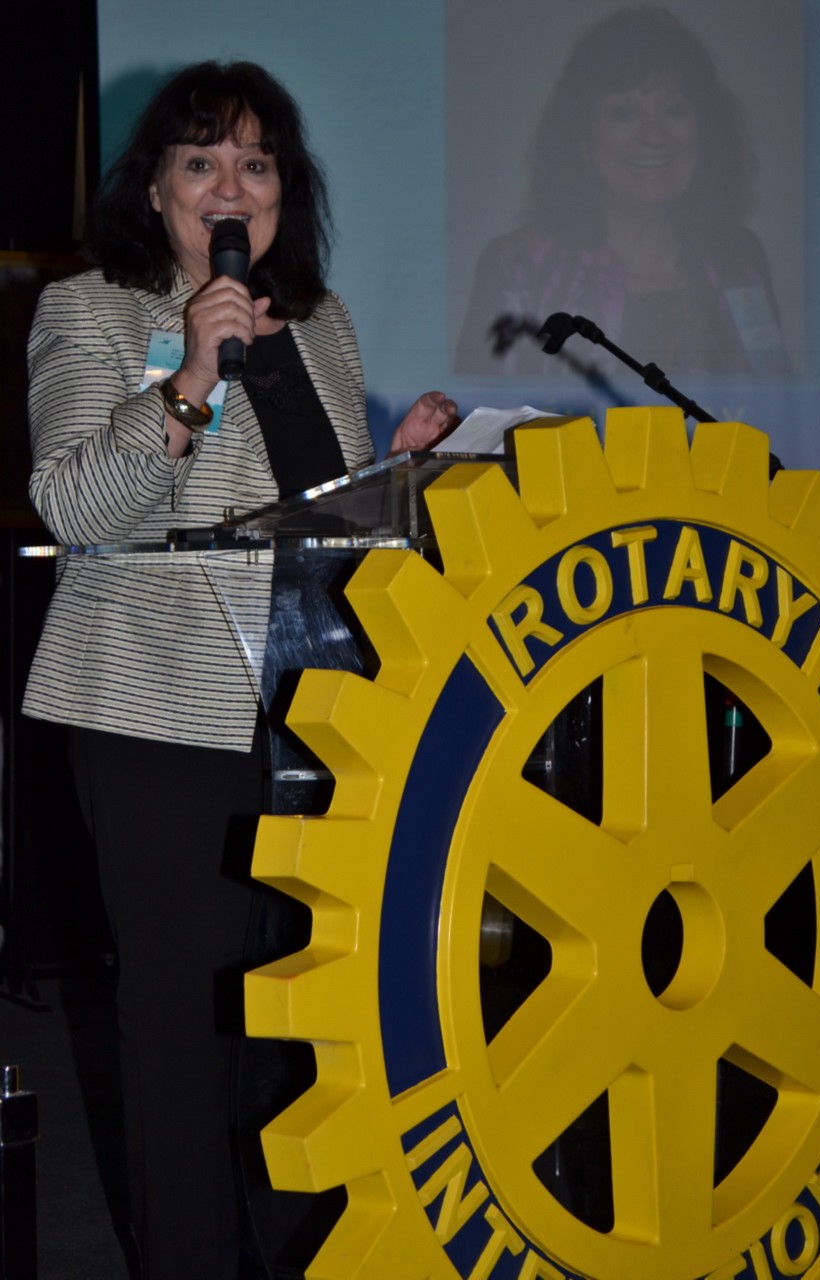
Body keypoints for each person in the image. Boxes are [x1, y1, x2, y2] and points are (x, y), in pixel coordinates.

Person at [23, 60, 457, 1280]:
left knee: (293, 1023)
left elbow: (326, 526)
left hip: (309, 717)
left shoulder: (320, 325)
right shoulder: (92, 313)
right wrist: (191, 381)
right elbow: (74, 504)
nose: (230, 186)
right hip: (156, 711)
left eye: (255, 163)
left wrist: (402, 473)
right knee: (180, 1025)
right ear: (154, 189)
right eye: (201, 160)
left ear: (284, 191)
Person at [456, 4, 791, 377]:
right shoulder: (520, 267)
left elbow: (777, 396)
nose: (654, 137)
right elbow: (482, 406)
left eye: (675, 111)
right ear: (582, 137)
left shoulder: (738, 259)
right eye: (625, 114)